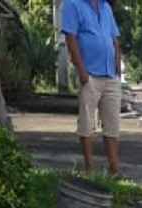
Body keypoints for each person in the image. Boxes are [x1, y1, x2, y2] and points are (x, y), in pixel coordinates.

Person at [59, 0, 123, 176]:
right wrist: (81, 71)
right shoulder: (73, 4)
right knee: (87, 122)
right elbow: (70, 38)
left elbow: (114, 37)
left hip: (110, 74)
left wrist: (117, 61)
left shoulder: (106, 7)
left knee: (112, 123)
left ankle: (114, 168)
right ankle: (90, 169)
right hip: (90, 74)